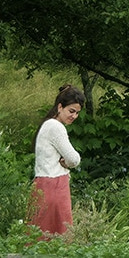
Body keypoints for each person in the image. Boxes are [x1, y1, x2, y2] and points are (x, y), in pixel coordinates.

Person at [29, 84, 85, 237]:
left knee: (39, 235)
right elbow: (74, 159)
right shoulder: (55, 126)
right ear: (60, 107)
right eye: (71, 111)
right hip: (55, 185)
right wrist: (67, 163)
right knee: (59, 237)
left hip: (43, 184)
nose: (74, 116)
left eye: (77, 113)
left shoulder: (47, 124)